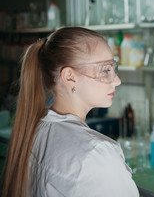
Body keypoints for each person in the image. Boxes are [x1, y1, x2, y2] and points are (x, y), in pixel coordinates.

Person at [2, 27, 139, 197]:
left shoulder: (31, 129)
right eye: (105, 70)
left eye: (114, 68)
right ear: (69, 77)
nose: (117, 81)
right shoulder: (97, 153)